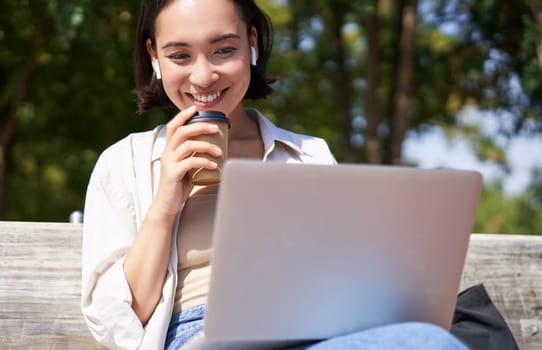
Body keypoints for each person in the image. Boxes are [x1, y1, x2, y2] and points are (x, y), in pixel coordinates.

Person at [80, 1, 470, 349]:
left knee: (430, 342)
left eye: (224, 50)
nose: (203, 77)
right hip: (195, 336)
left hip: (307, 334)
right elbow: (117, 326)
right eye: (180, 56)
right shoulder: (124, 163)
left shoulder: (307, 156)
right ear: (153, 56)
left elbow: (347, 286)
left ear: (251, 43)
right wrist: (165, 204)